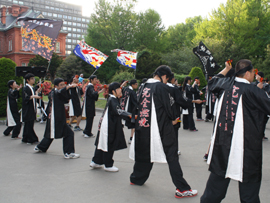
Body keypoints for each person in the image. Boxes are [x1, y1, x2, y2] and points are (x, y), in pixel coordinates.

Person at [201, 59, 270, 203]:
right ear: (247, 74)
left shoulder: (224, 84)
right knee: (249, 194)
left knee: (214, 191)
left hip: (222, 146)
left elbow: (212, 83)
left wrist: (226, 69)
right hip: (246, 148)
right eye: (253, 72)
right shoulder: (254, 91)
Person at [129, 65, 198, 199]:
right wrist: (173, 118)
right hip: (160, 127)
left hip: (143, 126)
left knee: (144, 153)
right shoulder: (161, 87)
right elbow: (169, 105)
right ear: (164, 76)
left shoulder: (143, 85)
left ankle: (136, 178)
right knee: (172, 155)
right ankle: (182, 188)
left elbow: (137, 105)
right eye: (167, 78)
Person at [90, 82, 132, 172]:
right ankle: (108, 165)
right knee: (109, 143)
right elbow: (118, 111)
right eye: (118, 89)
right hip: (109, 125)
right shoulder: (113, 100)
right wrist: (130, 115)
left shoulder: (112, 98)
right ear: (113, 91)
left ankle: (96, 161)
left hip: (107, 123)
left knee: (102, 143)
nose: (120, 91)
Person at [34, 78, 80, 159]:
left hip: (58, 117)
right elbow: (60, 92)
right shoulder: (54, 92)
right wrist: (68, 87)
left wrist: (73, 89)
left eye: (64, 84)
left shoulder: (58, 92)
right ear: (56, 86)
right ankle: (68, 153)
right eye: (61, 85)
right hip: (55, 118)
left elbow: (68, 98)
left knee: (51, 134)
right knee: (68, 133)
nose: (63, 86)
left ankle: (41, 147)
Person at [167, 74, 202, 155]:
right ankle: (174, 150)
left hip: (164, 115)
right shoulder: (174, 89)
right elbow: (181, 100)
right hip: (174, 114)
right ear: (171, 79)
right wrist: (191, 102)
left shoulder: (160, 87)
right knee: (174, 133)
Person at [22, 73, 41, 144]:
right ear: (27, 80)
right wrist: (33, 96)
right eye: (32, 79)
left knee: (29, 124)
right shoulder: (25, 88)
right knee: (29, 124)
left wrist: (37, 92)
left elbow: (33, 94)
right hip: (28, 109)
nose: (34, 80)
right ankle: (32, 139)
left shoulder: (31, 88)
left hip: (32, 108)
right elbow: (26, 98)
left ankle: (25, 138)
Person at [123, 79, 138, 144]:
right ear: (132, 85)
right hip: (131, 110)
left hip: (124, 109)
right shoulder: (132, 92)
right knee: (134, 125)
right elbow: (135, 102)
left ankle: (132, 138)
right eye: (136, 84)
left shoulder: (126, 90)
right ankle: (131, 138)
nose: (137, 85)